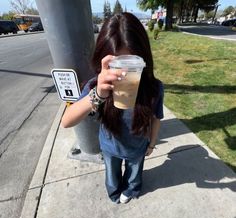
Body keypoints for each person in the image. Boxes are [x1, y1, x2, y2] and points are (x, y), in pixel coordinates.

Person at [61, 12, 164, 204]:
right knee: (112, 177)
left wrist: (151, 143)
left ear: (143, 60)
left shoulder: (153, 88)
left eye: (132, 64)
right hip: (109, 147)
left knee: (134, 176)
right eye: (117, 64)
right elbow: (67, 121)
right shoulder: (96, 86)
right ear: (104, 60)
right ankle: (114, 192)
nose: (124, 73)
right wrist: (98, 94)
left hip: (138, 148)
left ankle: (132, 189)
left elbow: (156, 117)